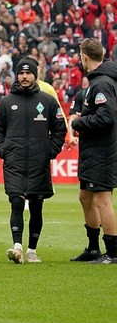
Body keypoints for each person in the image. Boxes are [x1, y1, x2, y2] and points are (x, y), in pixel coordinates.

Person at [0, 58, 67, 264]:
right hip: (14, 160)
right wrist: (2, 148)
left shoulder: (48, 101)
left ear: (35, 75)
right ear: (17, 75)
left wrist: (50, 150)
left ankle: (32, 250)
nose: (24, 77)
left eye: (28, 73)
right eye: (21, 73)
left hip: (38, 161)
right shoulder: (7, 102)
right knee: (16, 201)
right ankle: (17, 247)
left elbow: (60, 129)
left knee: (36, 206)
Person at [69, 38, 117, 264]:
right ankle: (93, 248)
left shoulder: (102, 83)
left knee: (102, 199)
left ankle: (113, 252)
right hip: (93, 151)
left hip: (102, 152)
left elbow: (106, 118)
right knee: (85, 196)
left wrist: (79, 123)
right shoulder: (96, 83)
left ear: (84, 57)